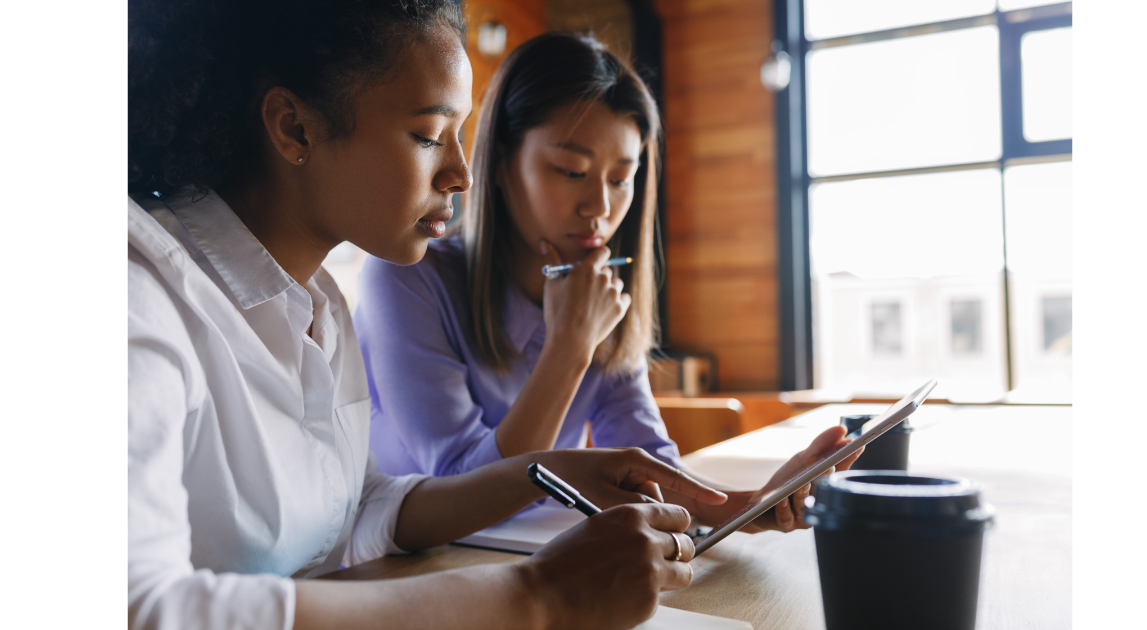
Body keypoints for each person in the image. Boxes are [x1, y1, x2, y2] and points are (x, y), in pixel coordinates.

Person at [127, 2, 745, 629]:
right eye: (428, 135)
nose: (461, 174)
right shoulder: (136, 296)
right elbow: (136, 607)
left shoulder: (318, 307)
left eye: (459, 135)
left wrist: (549, 471)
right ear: (295, 127)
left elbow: (361, 509)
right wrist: (537, 595)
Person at [354, 32, 859, 533]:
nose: (599, 207)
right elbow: (463, 486)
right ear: (502, 162)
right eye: (571, 170)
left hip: (538, 556)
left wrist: (747, 506)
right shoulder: (406, 277)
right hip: (408, 569)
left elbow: (651, 467)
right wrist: (570, 347)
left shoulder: (602, 296)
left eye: (620, 178)